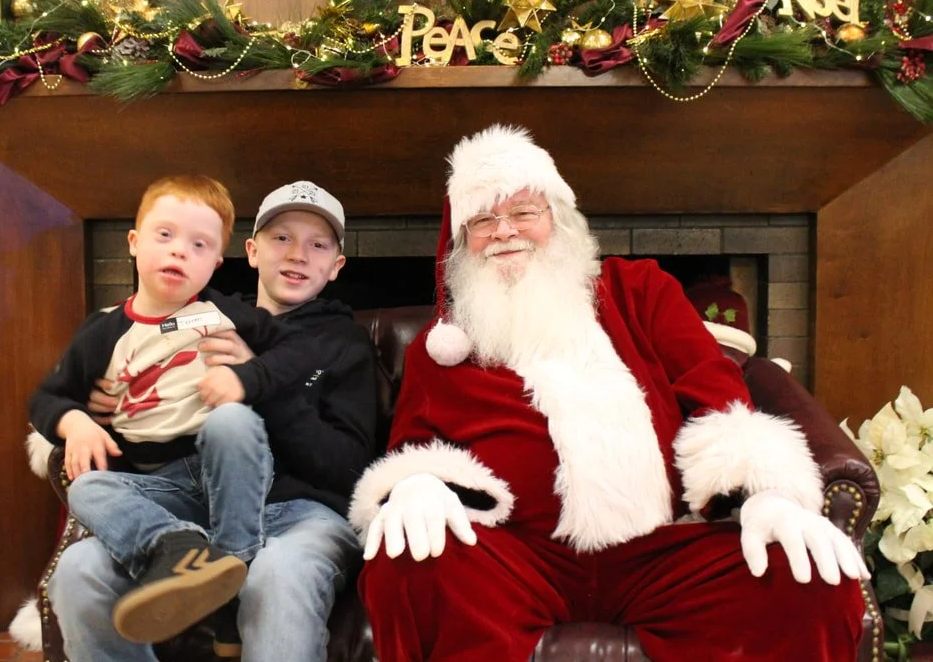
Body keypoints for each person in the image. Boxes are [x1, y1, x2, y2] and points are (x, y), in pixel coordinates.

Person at [347, 125, 869, 662]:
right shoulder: (442, 348)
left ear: (559, 220)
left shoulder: (641, 290)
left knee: (807, 579)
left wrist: (765, 492)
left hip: (661, 554)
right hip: (516, 559)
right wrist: (417, 488)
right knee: (406, 559)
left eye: (525, 212)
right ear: (460, 243)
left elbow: (715, 386)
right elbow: (412, 447)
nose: (505, 232)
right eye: (482, 219)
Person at [55, 180, 379, 662]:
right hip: (196, 506)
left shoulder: (345, 344)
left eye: (317, 244)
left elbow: (349, 470)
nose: (298, 255)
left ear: (336, 267)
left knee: (277, 572)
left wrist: (257, 380)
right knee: (79, 569)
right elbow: (136, 410)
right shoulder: (196, 320)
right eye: (281, 238)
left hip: (301, 514)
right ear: (250, 251)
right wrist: (91, 412)